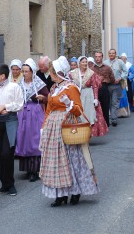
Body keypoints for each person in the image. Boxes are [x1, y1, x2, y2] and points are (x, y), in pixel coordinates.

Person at [40, 56, 99, 207]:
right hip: (53, 129)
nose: (49, 74)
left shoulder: (71, 87)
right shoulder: (54, 89)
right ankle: (60, 194)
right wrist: (44, 126)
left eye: (51, 72)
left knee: (70, 160)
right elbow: (49, 110)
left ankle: (75, 191)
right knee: (56, 162)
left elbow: (79, 111)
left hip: (67, 126)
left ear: (57, 73)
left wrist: (69, 104)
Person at [0, 64, 24, 196]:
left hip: (10, 122)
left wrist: (5, 106)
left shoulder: (14, 87)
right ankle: (4, 183)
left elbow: (19, 104)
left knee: (8, 152)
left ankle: (11, 183)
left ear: (3, 76)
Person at [15, 58, 49, 182]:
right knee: (24, 139)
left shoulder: (39, 84)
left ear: (32, 72)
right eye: (23, 72)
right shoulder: (20, 84)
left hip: (35, 113)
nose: (24, 74)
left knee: (35, 139)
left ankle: (35, 169)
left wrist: (43, 98)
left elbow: (48, 96)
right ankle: (27, 169)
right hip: (23, 113)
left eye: (26, 71)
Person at [70, 56, 108, 137]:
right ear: (79, 63)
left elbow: (95, 86)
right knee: (78, 114)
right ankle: (78, 133)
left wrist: (96, 98)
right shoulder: (72, 73)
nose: (85, 63)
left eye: (86, 62)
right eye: (83, 62)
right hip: (77, 95)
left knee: (88, 114)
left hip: (88, 95)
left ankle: (88, 133)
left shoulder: (91, 73)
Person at [104, 48, 129, 126]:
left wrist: (120, 78)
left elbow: (125, 71)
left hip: (117, 85)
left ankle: (114, 119)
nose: (111, 55)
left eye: (113, 53)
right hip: (107, 85)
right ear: (108, 54)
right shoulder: (105, 63)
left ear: (115, 54)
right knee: (108, 102)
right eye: (110, 53)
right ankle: (107, 118)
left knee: (115, 102)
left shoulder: (120, 62)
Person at [90, 51, 114, 126]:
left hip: (104, 87)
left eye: (99, 56)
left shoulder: (107, 68)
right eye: (96, 57)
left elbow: (112, 79)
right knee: (95, 107)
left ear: (102, 57)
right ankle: (96, 124)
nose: (98, 58)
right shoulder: (91, 69)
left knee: (105, 106)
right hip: (94, 89)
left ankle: (106, 123)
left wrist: (105, 80)